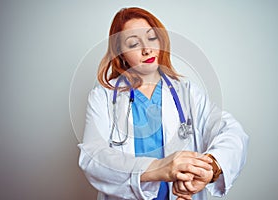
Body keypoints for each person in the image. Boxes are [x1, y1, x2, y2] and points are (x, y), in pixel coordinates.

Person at [78, 7, 248, 200]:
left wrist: (209, 168)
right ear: (120, 53)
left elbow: (232, 132)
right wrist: (160, 169)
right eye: (133, 43)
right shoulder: (103, 97)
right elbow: (93, 157)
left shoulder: (187, 93)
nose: (147, 49)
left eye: (152, 38)